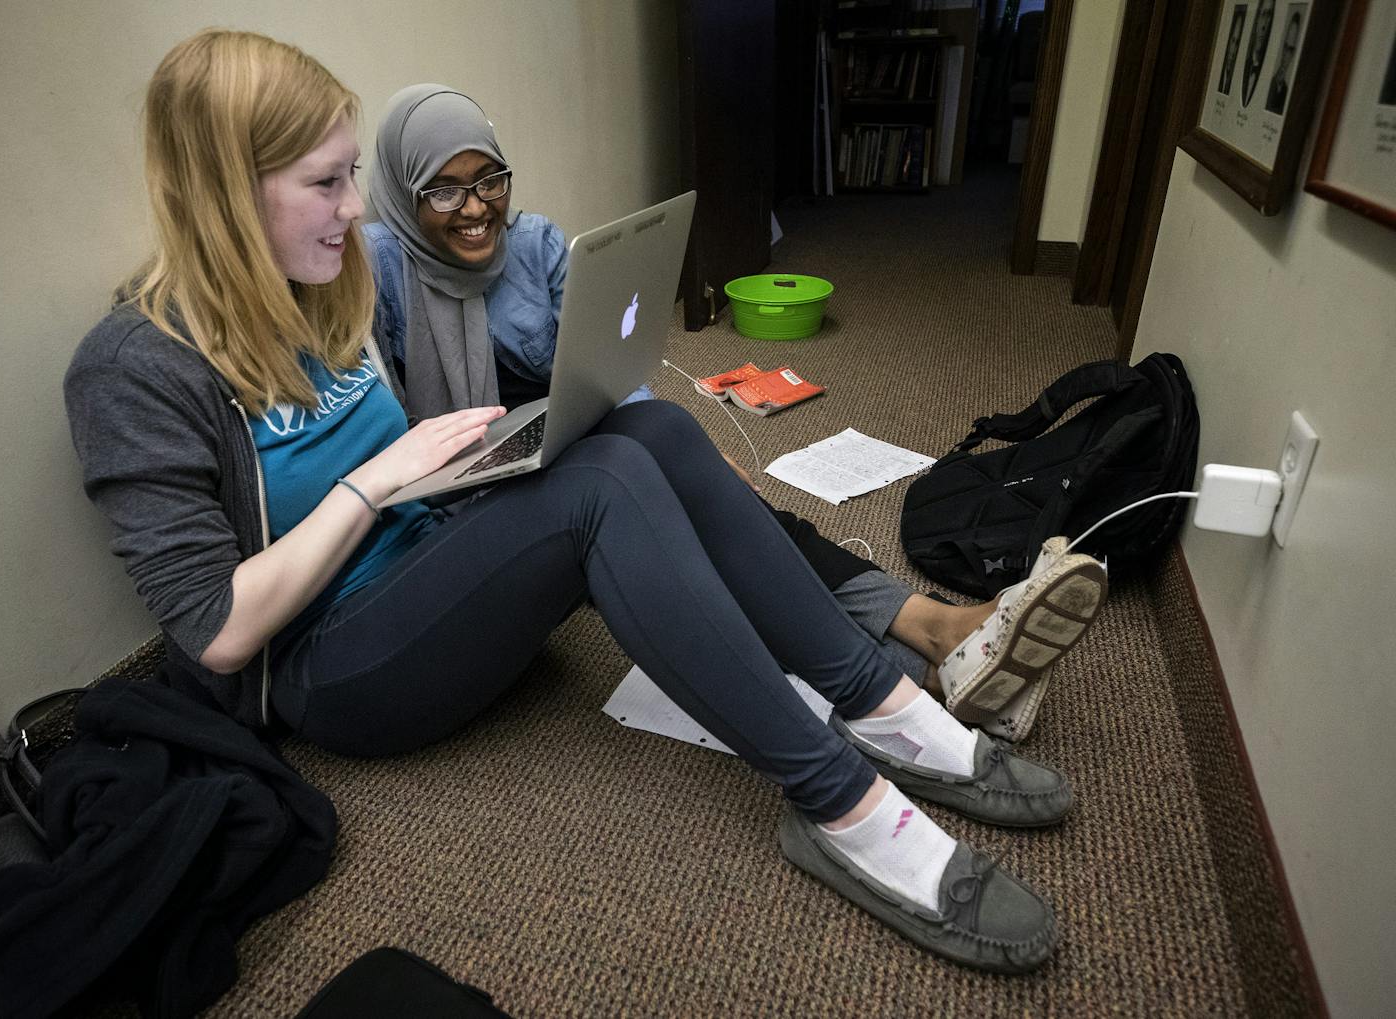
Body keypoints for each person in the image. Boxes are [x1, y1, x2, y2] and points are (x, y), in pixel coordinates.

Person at [64, 30, 1104, 975]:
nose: (352, 206)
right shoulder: (133, 366)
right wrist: (371, 480)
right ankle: (839, 801)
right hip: (335, 667)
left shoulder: (319, 289)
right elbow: (216, 636)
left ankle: (880, 703)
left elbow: (421, 435)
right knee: (603, 485)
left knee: (645, 428)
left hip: (435, 549)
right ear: (224, 192)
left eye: (350, 178)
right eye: (327, 181)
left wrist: (481, 452)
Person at [363, 85, 1103, 743]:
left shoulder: (536, 245)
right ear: (402, 193)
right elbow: (383, 435)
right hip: (468, 492)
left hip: (564, 443)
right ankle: (935, 655)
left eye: (489, 179)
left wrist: (702, 458)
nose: (477, 208)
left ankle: (936, 644)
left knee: (723, 502)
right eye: (445, 192)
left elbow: (605, 377)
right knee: (686, 543)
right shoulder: (375, 271)